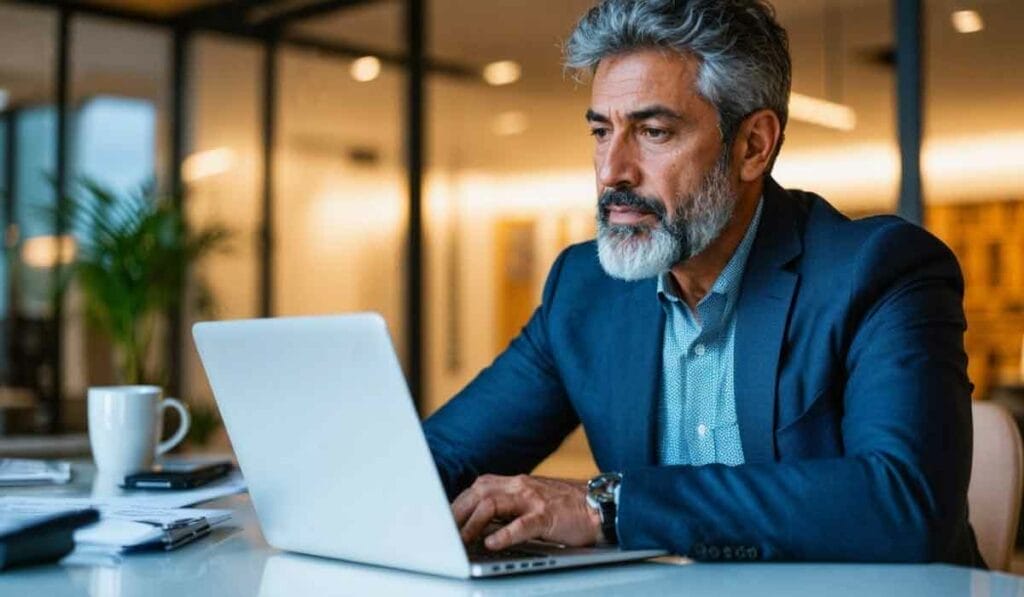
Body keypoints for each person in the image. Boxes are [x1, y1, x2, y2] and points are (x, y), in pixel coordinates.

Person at [423, 0, 982, 566]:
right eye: (601, 131)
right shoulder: (584, 289)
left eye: (654, 131)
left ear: (752, 147)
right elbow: (440, 458)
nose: (613, 169)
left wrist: (610, 508)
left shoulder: (879, 270)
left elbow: (905, 503)